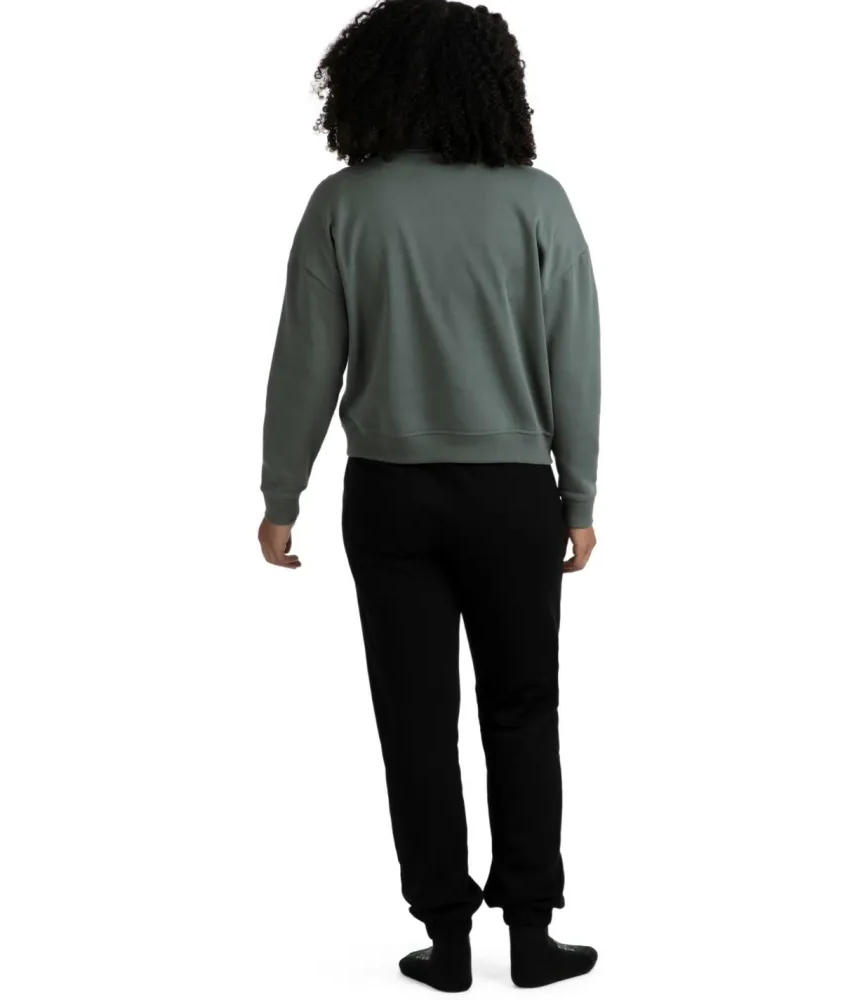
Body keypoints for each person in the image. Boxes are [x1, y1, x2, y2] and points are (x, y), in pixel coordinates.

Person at [257, 0, 600, 990]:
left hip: (388, 499)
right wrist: (579, 498)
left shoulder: (344, 205)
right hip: (514, 498)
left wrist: (282, 494)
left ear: (369, 84)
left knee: (414, 719)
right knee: (523, 709)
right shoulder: (538, 201)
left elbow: (305, 364)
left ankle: (446, 939)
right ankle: (530, 936)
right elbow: (575, 362)